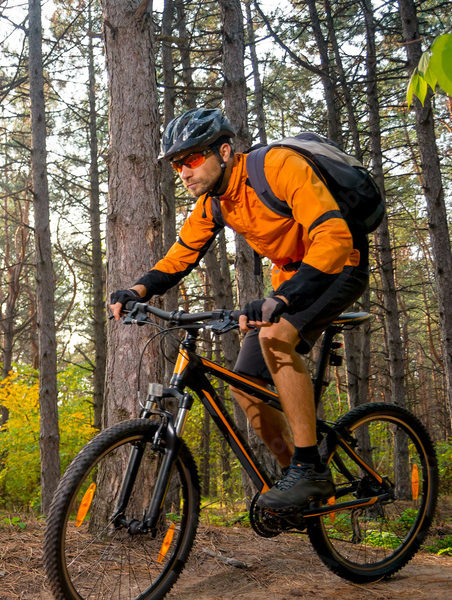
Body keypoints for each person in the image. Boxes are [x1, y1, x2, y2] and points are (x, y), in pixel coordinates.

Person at [109, 108, 370, 512]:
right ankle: (301, 484)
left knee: (274, 336)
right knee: (244, 384)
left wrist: (281, 300)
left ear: (225, 151)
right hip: (292, 279)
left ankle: (308, 469)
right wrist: (137, 289)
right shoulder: (215, 202)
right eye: (178, 164)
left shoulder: (279, 166)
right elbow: (182, 255)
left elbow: (333, 238)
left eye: (192, 158)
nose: (184, 172)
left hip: (338, 264)